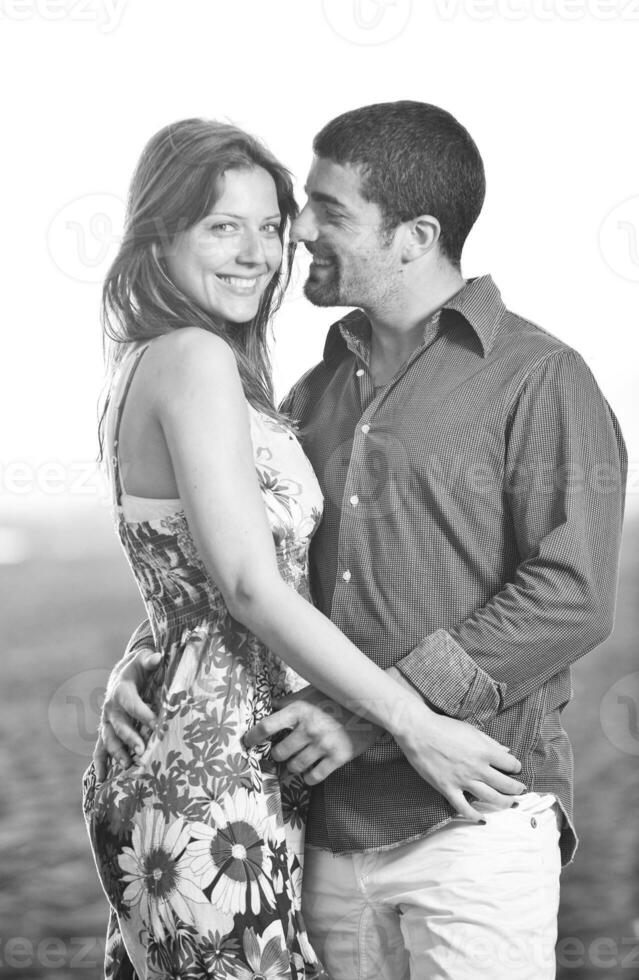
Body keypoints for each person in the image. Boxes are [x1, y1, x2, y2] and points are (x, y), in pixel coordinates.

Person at [99, 102, 628, 980]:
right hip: (320, 827)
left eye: (322, 211)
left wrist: (374, 715)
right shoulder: (305, 398)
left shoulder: (538, 378)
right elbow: (250, 566)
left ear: (416, 235)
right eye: (283, 212)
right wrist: (149, 654)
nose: (296, 232)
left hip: (468, 818)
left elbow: (571, 594)